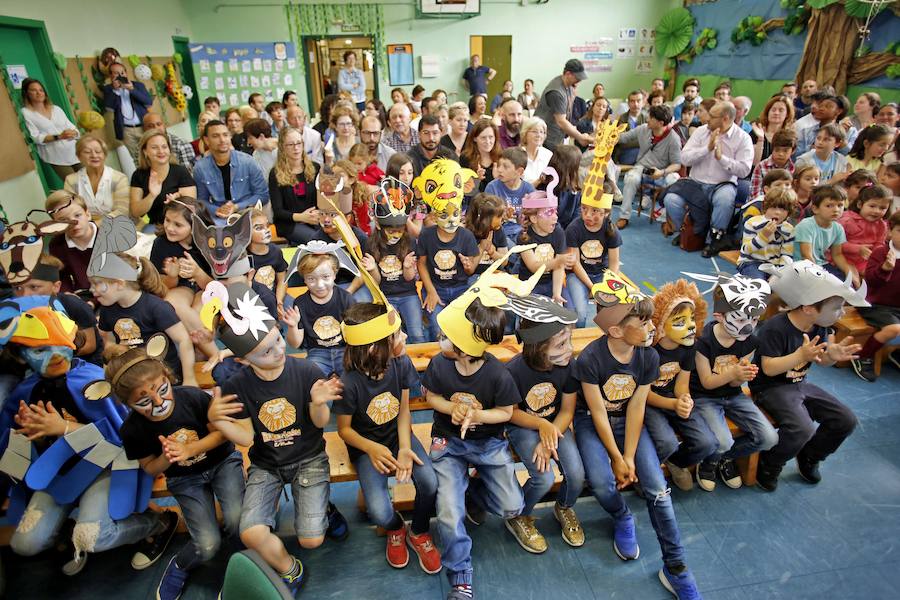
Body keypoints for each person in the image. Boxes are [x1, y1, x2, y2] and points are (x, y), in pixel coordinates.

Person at [0, 302, 177, 577]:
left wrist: (65, 428)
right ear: (22, 356)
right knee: (24, 544)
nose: (55, 355)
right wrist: (24, 435)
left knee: (92, 536)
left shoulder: (92, 381)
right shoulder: (24, 392)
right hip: (58, 475)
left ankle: (158, 523)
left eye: (60, 344)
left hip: (105, 469)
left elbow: (126, 440)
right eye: (39, 350)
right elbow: (12, 442)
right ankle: (66, 529)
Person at [206, 283, 347, 595]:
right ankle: (290, 570)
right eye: (266, 351)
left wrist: (319, 403)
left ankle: (324, 509)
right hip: (267, 465)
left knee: (312, 539)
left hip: (309, 458)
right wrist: (216, 419)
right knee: (250, 533)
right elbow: (245, 437)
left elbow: (321, 424)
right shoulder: (236, 385)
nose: (280, 350)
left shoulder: (307, 369)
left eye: (278, 340)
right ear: (244, 359)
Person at [573, 277, 702, 598]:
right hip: (592, 422)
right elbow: (597, 413)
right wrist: (616, 459)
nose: (651, 329)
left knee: (659, 489)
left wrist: (628, 456)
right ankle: (621, 515)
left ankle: (676, 567)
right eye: (643, 323)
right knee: (602, 483)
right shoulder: (590, 359)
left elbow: (636, 408)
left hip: (628, 423)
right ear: (616, 331)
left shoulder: (648, 356)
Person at [112, 346, 245, 600]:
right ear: (127, 402)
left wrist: (190, 449)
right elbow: (150, 468)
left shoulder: (193, 397)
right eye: (144, 401)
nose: (159, 402)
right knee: (207, 544)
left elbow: (222, 433)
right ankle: (180, 564)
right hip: (185, 479)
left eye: (162, 390)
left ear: (168, 377)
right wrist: (167, 456)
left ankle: (242, 566)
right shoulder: (132, 429)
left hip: (222, 462)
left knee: (239, 523)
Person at [422, 269, 524, 600]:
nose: (440, 338)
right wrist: (450, 408)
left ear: (466, 346)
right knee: (449, 513)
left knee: (512, 505)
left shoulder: (497, 374)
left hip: (488, 444)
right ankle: (460, 572)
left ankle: (474, 492)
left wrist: (478, 414)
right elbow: (430, 397)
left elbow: (507, 413)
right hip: (449, 443)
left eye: (447, 335)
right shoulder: (440, 364)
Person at [335, 302, 441, 571]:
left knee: (429, 482)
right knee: (380, 511)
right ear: (374, 347)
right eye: (396, 335)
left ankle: (419, 531)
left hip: (398, 436)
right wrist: (371, 449)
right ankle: (396, 529)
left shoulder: (401, 362)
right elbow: (344, 430)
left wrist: (405, 448)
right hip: (367, 447)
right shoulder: (348, 383)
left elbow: (404, 411)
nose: (404, 337)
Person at [752, 259, 865, 491]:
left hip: (799, 384)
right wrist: (800, 355)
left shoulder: (818, 327)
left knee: (845, 419)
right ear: (808, 307)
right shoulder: (775, 328)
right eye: (836, 308)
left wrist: (832, 355)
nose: (841, 312)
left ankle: (810, 456)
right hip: (771, 388)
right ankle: (770, 462)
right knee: (802, 428)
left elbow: (820, 359)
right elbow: (769, 368)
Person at [688, 275, 779, 492]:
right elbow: (708, 383)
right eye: (739, 320)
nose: (747, 327)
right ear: (719, 316)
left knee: (769, 438)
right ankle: (709, 462)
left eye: (754, 320)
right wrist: (733, 373)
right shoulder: (703, 341)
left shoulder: (750, 341)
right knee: (723, 440)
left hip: (733, 394)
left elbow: (736, 382)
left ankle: (722, 459)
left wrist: (743, 376)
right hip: (704, 397)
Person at [505, 313, 585, 553]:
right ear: (539, 348)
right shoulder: (513, 371)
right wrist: (541, 426)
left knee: (576, 474)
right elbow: (512, 413)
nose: (569, 349)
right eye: (561, 344)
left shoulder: (569, 366)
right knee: (543, 478)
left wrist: (550, 435)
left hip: (556, 425)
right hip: (524, 426)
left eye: (569, 340)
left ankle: (563, 507)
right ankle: (519, 515)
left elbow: (567, 410)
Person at [643, 280, 718, 492]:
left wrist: (684, 399)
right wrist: (674, 404)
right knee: (666, 442)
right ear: (661, 329)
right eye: (680, 322)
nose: (691, 326)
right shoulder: (650, 353)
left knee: (707, 443)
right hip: (651, 403)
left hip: (673, 399)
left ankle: (677, 462)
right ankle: (647, 474)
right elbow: (645, 395)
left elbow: (682, 384)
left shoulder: (689, 346)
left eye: (692, 319)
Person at [663, 101, 754, 257]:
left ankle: (715, 240)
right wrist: (707, 149)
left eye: (712, 116)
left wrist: (721, 158)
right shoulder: (701, 131)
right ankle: (687, 231)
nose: (706, 118)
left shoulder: (743, 138)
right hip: (695, 183)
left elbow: (744, 170)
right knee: (671, 199)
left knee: (725, 199)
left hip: (722, 184)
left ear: (725, 119)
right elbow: (684, 158)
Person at [11, 253, 104, 365]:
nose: (25, 295)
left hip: (81, 364)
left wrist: (54, 356)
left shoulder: (73, 304)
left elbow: (89, 345)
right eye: (18, 288)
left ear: (56, 287)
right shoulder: (13, 310)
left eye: (34, 287)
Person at [283, 248, 353, 377]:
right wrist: (293, 326)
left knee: (352, 379)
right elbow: (295, 344)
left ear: (334, 274)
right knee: (312, 379)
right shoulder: (300, 303)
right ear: (304, 279)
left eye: (325, 277)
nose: (319, 285)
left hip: (345, 350)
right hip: (317, 352)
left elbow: (355, 334)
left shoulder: (346, 298)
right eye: (311, 279)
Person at [614, 104, 682, 229]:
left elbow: (677, 164)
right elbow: (623, 138)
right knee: (630, 178)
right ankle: (624, 216)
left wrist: (662, 172)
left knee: (674, 179)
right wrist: (606, 137)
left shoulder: (673, 139)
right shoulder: (643, 129)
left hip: (662, 171)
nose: (647, 119)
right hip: (642, 167)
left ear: (661, 123)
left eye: (651, 118)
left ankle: (668, 217)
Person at [851, 209, 900, 381]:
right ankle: (863, 356)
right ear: (890, 231)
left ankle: (896, 353)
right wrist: (885, 269)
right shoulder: (881, 252)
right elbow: (871, 282)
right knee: (894, 329)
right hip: (874, 304)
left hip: (896, 306)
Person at [565, 187, 621, 328]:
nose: (587, 215)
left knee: (613, 312)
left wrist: (607, 284)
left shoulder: (612, 231)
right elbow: (575, 263)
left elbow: (614, 264)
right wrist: (592, 287)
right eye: (584, 209)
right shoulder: (573, 229)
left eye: (595, 211)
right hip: (578, 275)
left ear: (606, 213)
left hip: (603, 275)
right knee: (580, 315)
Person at [194, 120, 270, 224]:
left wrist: (236, 207)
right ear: (206, 140)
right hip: (219, 216)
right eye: (216, 136)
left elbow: (263, 195)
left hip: (248, 213)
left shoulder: (248, 161)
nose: (222, 140)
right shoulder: (200, 168)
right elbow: (201, 200)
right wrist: (216, 210)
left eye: (225, 135)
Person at [517, 184, 573, 305]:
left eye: (555, 211)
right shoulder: (524, 237)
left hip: (552, 282)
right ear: (534, 219)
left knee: (570, 311)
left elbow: (559, 268)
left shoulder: (558, 232)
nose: (555, 217)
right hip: (530, 284)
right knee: (531, 316)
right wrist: (558, 261)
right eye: (549, 212)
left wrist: (557, 293)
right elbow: (533, 266)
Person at [129, 131, 196, 227]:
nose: (161, 151)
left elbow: (191, 207)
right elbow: (135, 212)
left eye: (164, 147)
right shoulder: (138, 175)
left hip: (181, 224)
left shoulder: (180, 171)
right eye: (154, 147)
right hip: (155, 226)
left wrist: (176, 201)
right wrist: (152, 195)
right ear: (145, 152)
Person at [21, 77, 80, 179]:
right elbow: (35, 137)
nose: (39, 93)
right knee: (75, 185)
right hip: (56, 157)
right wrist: (59, 136)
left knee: (91, 181)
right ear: (26, 93)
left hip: (74, 152)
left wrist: (74, 133)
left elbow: (72, 127)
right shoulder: (26, 113)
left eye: (41, 90)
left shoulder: (56, 109)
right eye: (34, 90)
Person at [269, 127, 320, 244]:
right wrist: (301, 217)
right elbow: (278, 211)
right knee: (318, 241)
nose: (296, 148)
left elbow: (321, 200)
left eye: (299, 143)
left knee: (332, 235)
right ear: (282, 147)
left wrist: (317, 214)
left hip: (314, 219)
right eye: (290, 144)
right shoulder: (275, 173)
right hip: (289, 223)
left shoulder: (315, 168)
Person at [793, 184, 853, 282]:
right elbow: (806, 255)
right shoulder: (806, 225)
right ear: (815, 209)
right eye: (829, 206)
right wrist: (820, 275)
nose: (836, 210)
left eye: (840, 205)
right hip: (801, 265)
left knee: (843, 280)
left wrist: (848, 271)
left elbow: (837, 255)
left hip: (821, 264)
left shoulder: (838, 228)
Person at [738, 186, 797, 280]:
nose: (777, 212)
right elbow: (746, 250)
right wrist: (763, 236)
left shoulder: (789, 229)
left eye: (782, 209)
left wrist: (782, 270)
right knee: (759, 284)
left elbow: (786, 254)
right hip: (751, 262)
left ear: (789, 212)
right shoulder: (752, 223)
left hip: (773, 265)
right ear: (766, 206)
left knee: (785, 285)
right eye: (773, 207)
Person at [64, 135, 129, 220]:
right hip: (85, 226)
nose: (94, 155)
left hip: (117, 224)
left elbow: (122, 211)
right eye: (87, 152)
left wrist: (95, 225)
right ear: (79, 157)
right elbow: (71, 210)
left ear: (105, 155)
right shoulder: (71, 180)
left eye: (98, 151)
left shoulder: (119, 178)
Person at [533, 59, 594, 149]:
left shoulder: (567, 85)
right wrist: (580, 137)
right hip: (547, 137)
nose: (579, 81)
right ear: (568, 74)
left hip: (557, 135)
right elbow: (561, 121)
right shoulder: (556, 92)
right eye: (577, 78)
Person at [46, 191, 97, 294]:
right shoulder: (57, 245)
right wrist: (68, 295)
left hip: (110, 293)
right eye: (63, 220)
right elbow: (61, 276)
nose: (73, 223)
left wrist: (93, 302)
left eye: (77, 215)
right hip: (81, 294)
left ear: (88, 214)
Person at [838, 183, 892, 278]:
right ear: (860, 204)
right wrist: (858, 249)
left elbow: (879, 243)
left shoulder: (882, 225)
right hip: (843, 258)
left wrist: (877, 252)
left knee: (880, 275)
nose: (877, 211)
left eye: (882, 208)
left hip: (865, 261)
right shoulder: (846, 220)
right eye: (872, 206)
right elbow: (835, 244)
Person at [103, 63, 153, 163]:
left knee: (152, 154)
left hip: (144, 127)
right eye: (116, 73)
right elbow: (109, 108)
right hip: (126, 130)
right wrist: (115, 91)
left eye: (122, 72)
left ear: (126, 73)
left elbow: (148, 102)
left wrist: (132, 90)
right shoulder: (109, 89)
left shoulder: (138, 85)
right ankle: (144, 178)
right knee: (137, 159)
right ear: (111, 76)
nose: (120, 75)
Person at [485, 147, 535, 241]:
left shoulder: (529, 189)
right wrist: (500, 216)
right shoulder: (492, 188)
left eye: (505, 167)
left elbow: (534, 218)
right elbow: (487, 218)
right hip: (499, 234)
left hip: (523, 234)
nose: (499, 169)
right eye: (499, 165)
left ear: (519, 171)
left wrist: (526, 218)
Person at [464, 193, 508, 278]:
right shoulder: (466, 233)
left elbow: (505, 261)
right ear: (486, 219)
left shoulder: (498, 230)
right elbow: (468, 270)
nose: (503, 218)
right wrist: (482, 247)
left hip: (496, 273)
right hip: (475, 276)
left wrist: (493, 253)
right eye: (499, 216)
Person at [749, 129, 796, 199]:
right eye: (777, 150)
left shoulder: (795, 169)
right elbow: (755, 194)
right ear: (772, 149)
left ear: (793, 151)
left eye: (785, 151)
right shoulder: (761, 166)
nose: (781, 154)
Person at [459, 120, 501, 195]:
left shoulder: (501, 157)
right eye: (483, 138)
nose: (488, 141)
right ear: (475, 138)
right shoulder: (465, 158)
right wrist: (476, 180)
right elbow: (464, 193)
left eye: (491, 137)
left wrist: (498, 180)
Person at [750, 95, 795, 164]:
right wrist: (760, 139)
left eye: (781, 110)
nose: (776, 113)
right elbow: (753, 162)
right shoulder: (756, 131)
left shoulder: (790, 136)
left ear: (787, 114)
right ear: (768, 112)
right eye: (773, 110)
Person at [612, 90, 648, 166]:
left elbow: (650, 139)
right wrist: (642, 141)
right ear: (628, 103)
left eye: (638, 101)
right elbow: (622, 142)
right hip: (625, 153)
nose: (635, 104)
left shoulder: (647, 118)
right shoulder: (622, 118)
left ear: (643, 102)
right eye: (632, 101)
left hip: (643, 152)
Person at [520, 117, 552, 186]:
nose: (539, 135)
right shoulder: (517, 154)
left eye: (542, 132)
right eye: (535, 131)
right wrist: (538, 181)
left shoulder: (548, 154)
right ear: (525, 133)